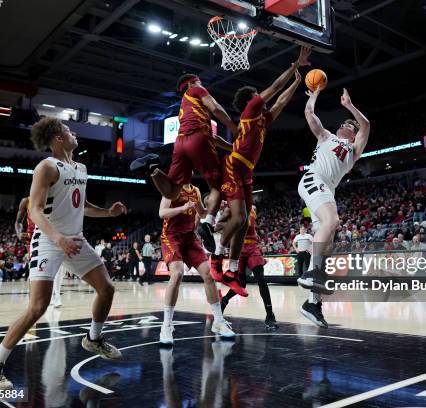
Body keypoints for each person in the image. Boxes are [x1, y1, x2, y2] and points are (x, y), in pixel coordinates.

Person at [0, 117, 127, 389]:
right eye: (69, 130)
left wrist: (108, 212)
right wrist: (58, 239)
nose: (73, 133)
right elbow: (35, 210)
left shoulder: (80, 168)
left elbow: (80, 205)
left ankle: (93, 338)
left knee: (107, 288)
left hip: (76, 239)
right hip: (49, 240)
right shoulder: (46, 167)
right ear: (58, 138)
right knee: (38, 307)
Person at [211, 46, 310, 295]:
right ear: (251, 99)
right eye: (257, 95)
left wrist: (297, 82)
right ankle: (216, 257)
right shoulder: (251, 109)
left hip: (247, 172)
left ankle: (232, 269)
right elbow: (275, 88)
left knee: (244, 221)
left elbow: (281, 100)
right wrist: (295, 64)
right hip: (234, 166)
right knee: (238, 217)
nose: (261, 98)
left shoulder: (262, 120)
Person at [130, 74, 239, 253]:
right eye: (199, 82)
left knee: (172, 192)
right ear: (190, 84)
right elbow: (216, 107)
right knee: (219, 184)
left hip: (180, 143)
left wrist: (231, 147)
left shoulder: (185, 105)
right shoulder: (196, 90)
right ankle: (208, 225)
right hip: (198, 139)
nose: (202, 85)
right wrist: (233, 128)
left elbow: (213, 138)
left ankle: (152, 169)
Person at [296, 87, 370, 328]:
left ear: (353, 133)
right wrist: (314, 95)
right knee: (332, 221)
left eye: (350, 124)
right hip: (313, 179)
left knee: (326, 246)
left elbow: (366, 125)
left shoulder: (354, 150)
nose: (345, 125)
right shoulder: (326, 136)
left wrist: (349, 106)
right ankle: (310, 272)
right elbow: (309, 113)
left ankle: (312, 304)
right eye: (344, 122)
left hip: (327, 190)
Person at [158, 183, 234, 344]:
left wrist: (217, 206)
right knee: (177, 274)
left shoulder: (195, 190)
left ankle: (218, 321)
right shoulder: (170, 188)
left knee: (208, 274)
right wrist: (182, 208)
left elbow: (202, 213)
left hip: (189, 237)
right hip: (171, 236)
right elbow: (162, 212)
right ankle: (166, 325)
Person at [220, 205, 278, 330]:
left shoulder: (253, 208)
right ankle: (224, 300)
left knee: (261, 279)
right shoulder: (230, 208)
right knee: (242, 284)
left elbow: (249, 226)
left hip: (253, 247)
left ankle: (270, 315)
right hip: (238, 248)